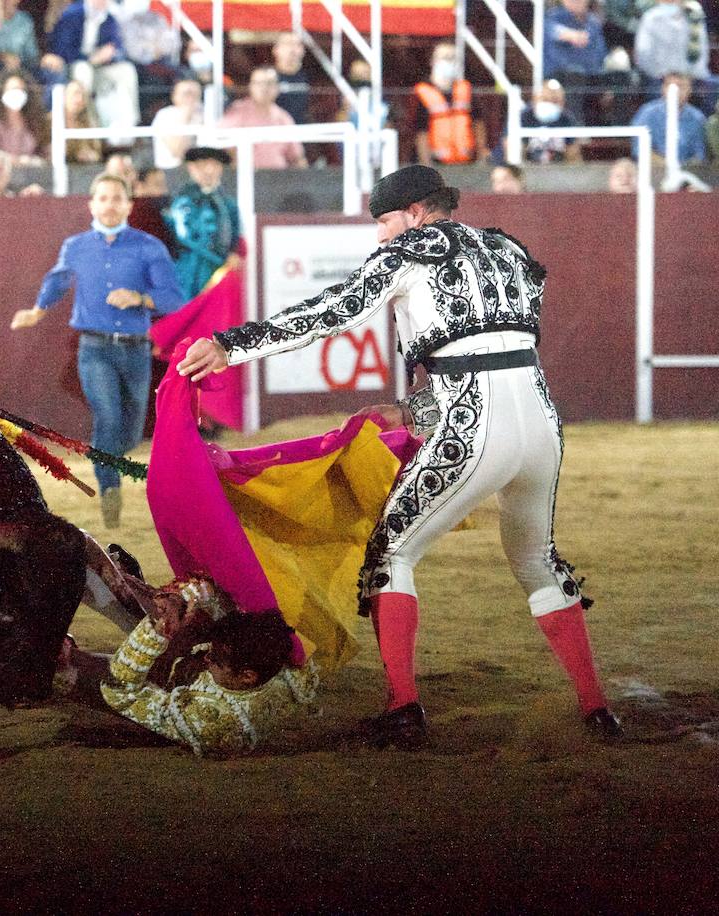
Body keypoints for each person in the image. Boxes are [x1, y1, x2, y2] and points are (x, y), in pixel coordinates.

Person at [176, 164, 622, 746]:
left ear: (414, 212)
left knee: (390, 553)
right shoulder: (509, 249)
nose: (381, 233)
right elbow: (494, 350)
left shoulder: (410, 250)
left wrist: (232, 344)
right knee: (537, 560)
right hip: (541, 424)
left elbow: (334, 311)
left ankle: (403, 707)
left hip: (474, 427)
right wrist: (415, 409)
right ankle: (596, 707)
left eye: (385, 220)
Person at [10, 172, 184, 527]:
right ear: (91, 204)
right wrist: (38, 310)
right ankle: (109, 488)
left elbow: (173, 298)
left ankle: (105, 462)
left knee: (131, 432)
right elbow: (57, 280)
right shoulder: (76, 246)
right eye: (103, 198)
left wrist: (140, 298)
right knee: (107, 415)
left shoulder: (149, 247)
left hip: (136, 350)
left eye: (117, 198)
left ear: (129, 206)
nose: (109, 205)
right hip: (94, 348)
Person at [66, 574, 319, 756]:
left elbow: (120, 689)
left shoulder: (211, 721)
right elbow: (214, 593)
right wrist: (178, 600)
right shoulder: (274, 652)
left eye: (215, 659)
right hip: (178, 665)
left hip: (157, 693)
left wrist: (156, 632)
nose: (207, 657)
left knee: (62, 665)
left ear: (247, 676)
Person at [43, 0, 139, 137]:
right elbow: (63, 50)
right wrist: (90, 59)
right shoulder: (72, 14)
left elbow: (118, 46)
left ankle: (131, 123)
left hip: (99, 67)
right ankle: (88, 120)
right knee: (84, 70)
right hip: (74, 66)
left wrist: (111, 53)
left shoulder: (109, 18)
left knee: (127, 70)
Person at [164, 146, 242, 299]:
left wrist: (232, 254)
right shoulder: (183, 202)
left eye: (214, 165)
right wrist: (221, 258)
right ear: (191, 167)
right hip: (190, 268)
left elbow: (234, 234)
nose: (209, 170)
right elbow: (185, 236)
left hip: (221, 271)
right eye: (202, 165)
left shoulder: (228, 204)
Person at [217, 66, 307, 169]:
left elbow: (297, 158)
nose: (264, 88)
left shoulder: (283, 118)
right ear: (251, 86)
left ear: (277, 88)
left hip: (278, 176)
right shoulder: (237, 111)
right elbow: (220, 144)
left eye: (269, 83)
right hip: (245, 175)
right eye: (259, 83)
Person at [413, 42, 486, 165]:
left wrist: (481, 155)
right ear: (433, 61)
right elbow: (421, 132)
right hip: (436, 162)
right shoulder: (422, 92)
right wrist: (426, 165)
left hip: (467, 162)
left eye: (453, 58)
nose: (449, 62)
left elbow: (478, 124)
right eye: (445, 58)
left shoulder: (465, 89)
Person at [630, 71, 707, 165]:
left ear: (689, 90)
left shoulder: (697, 118)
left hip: (685, 170)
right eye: (669, 86)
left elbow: (699, 155)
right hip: (652, 169)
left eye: (681, 86)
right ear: (663, 88)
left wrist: (681, 169)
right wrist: (669, 166)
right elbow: (640, 150)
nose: (676, 92)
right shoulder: (647, 113)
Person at [0, 68, 47, 164]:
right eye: (12, 89)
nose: (17, 93)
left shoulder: (32, 121)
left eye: (21, 90)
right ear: (1, 92)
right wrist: (17, 160)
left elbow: (41, 151)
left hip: (28, 172)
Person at [149, 77, 202, 170]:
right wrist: (186, 117)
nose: (191, 98)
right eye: (187, 94)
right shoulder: (165, 115)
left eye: (195, 94)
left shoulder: (204, 113)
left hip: (200, 168)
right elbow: (177, 151)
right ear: (174, 96)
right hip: (172, 169)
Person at [270, 30, 310, 124]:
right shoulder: (268, 78)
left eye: (297, 45)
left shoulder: (311, 77)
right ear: (275, 50)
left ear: (303, 50)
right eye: (287, 44)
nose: (292, 50)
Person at [62, 79, 102, 164]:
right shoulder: (50, 121)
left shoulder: (89, 123)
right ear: (64, 96)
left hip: (82, 168)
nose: (79, 99)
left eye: (83, 96)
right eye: (75, 94)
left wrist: (91, 155)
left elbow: (97, 152)